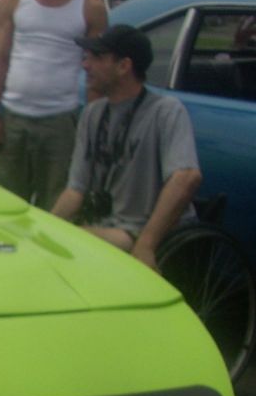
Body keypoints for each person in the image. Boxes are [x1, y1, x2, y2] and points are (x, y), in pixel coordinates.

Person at [52, 25, 201, 271]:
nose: (85, 65)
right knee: (54, 240)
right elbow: (75, 190)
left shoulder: (165, 111)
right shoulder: (93, 114)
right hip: (106, 223)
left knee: (73, 242)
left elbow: (186, 177)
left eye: (97, 58)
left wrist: (147, 243)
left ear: (124, 66)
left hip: (140, 229)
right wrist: (45, 227)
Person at [0, 0, 107, 211]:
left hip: (60, 124)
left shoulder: (90, 7)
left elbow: (96, 77)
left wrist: (90, 134)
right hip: (14, 120)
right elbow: (1, 60)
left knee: (57, 208)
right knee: (3, 204)